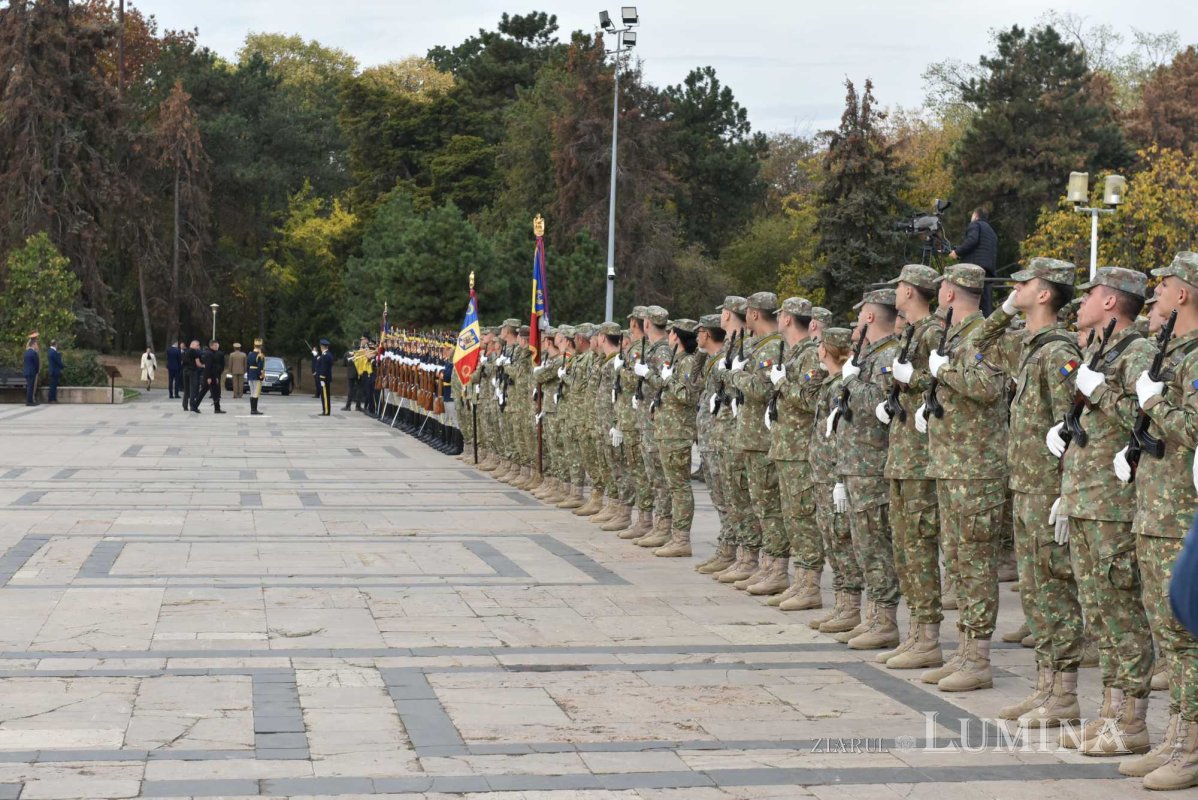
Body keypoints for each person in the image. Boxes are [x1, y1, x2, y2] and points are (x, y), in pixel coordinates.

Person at [950, 207, 999, 316]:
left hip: (974, 269)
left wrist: (957, 252)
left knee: (968, 299)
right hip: (987, 270)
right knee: (985, 302)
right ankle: (986, 325)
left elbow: (972, 241)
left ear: (976, 216)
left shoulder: (975, 225)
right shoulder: (992, 232)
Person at [193, 340, 226, 413]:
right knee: (204, 391)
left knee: (215, 392)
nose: (217, 347)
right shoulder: (209, 354)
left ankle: (217, 408)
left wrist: (216, 377)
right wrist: (209, 377)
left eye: (217, 345)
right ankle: (195, 406)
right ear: (211, 346)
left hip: (213, 376)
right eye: (215, 345)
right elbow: (208, 367)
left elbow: (214, 366)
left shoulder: (213, 353)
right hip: (209, 376)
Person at [246, 338, 266, 415]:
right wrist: (260, 376)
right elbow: (260, 367)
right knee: (256, 393)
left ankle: (252, 409)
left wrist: (248, 374)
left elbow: (247, 366)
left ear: (254, 345)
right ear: (260, 346)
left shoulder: (250, 354)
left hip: (250, 375)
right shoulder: (260, 355)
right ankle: (254, 410)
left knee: (252, 392)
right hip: (256, 375)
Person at [316, 338, 334, 415]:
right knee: (325, 395)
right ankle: (325, 410)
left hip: (324, 378)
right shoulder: (326, 355)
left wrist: (322, 377)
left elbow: (324, 367)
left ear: (322, 346)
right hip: (325, 377)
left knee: (325, 395)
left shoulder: (326, 355)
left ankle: (326, 411)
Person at [21, 334, 39, 407]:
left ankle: (30, 401)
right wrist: (37, 371)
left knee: (29, 386)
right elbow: (36, 363)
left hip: (26, 371)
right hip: (32, 372)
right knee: (30, 387)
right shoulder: (34, 353)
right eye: (36, 344)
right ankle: (29, 402)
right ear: (33, 344)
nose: (36, 345)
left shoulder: (26, 353)